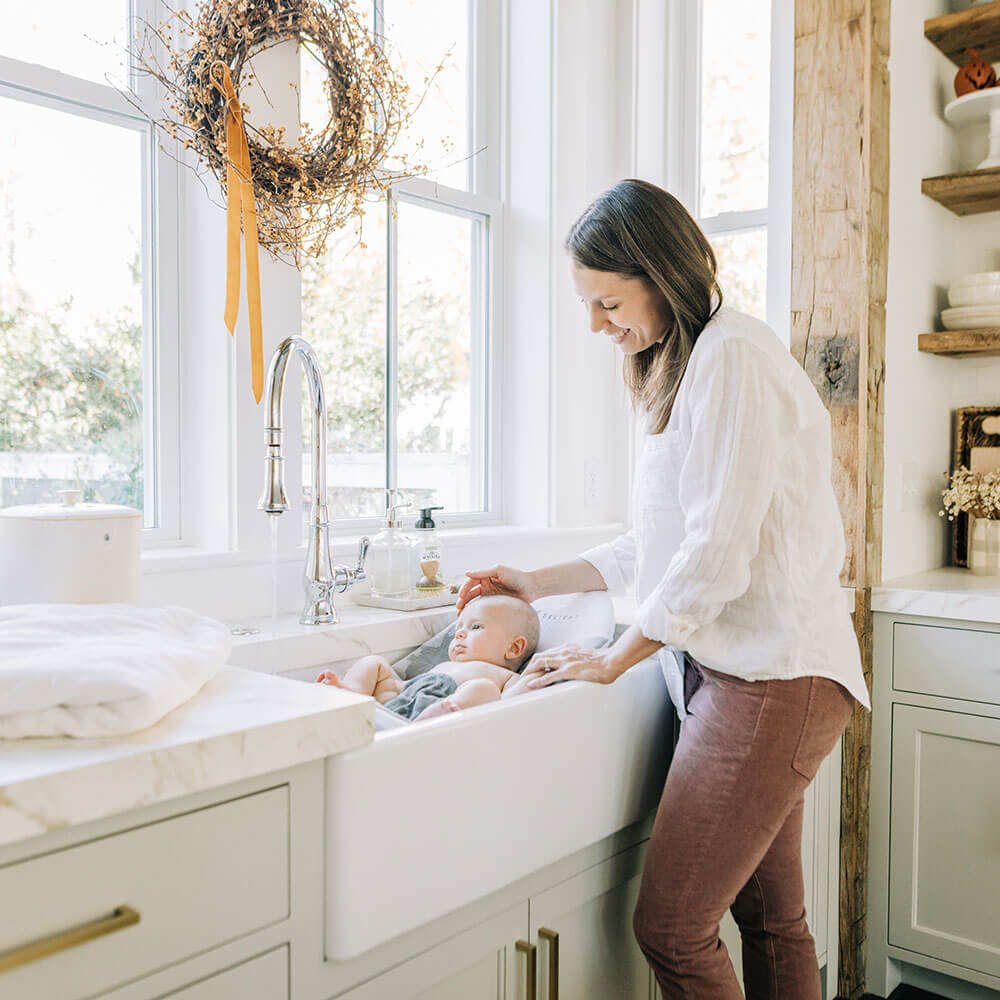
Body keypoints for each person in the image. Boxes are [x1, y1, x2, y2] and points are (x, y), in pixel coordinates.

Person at [456, 179, 870, 999]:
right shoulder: (686, 368)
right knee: (772, 919)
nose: (596, 326)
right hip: (747, 676)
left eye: (607, 302)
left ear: (661, 272)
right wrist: (534, 582)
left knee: (672, 928)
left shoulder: (735, 359)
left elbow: (715, 556)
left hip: (773, 676)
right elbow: (660, 543)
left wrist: (615, 658)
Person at [317, 595, 540, 722]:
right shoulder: (446, 665)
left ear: (514, 647)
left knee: (485, 689)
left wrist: (541, 669)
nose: (460, 633)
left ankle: (442, 713)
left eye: (476, 627)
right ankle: (352, 694)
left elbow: (514, 700)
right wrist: (395, 687)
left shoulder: (501, 675)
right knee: (374, 662)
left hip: (447, 712)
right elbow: (412, 688)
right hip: (400, 704)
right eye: (458, 630)